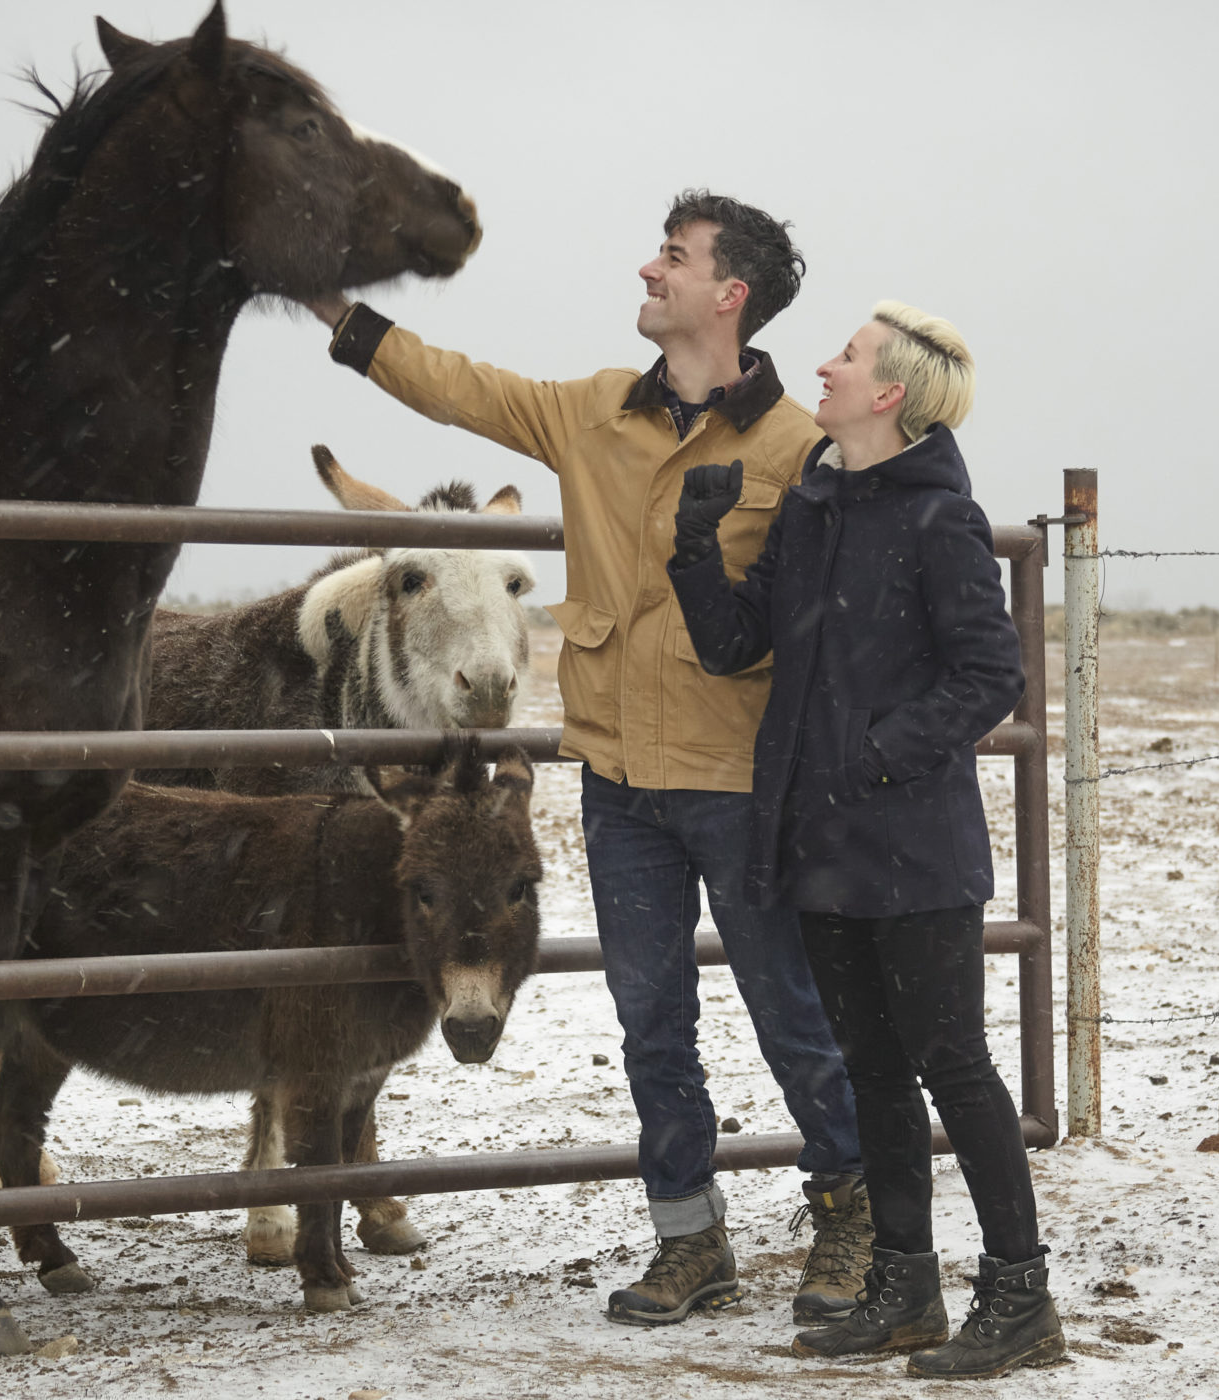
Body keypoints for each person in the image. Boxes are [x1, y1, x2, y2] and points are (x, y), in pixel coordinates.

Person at [302, 191, 869, 1327]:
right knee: (650, 1018)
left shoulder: (800, 447)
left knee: (790, 1009)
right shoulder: (591, 413)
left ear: (730, 293)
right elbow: (457, 383)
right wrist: (329, 302)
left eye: (674, 257)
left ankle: (852, 1216)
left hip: (742, 780)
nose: (649, 270)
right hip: (617, 784)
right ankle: (688, 1240)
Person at [666, 302, 1063, 1379]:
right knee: (873, 1070)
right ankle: (905, 1285)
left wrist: (875, 751)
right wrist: (695, 549)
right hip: (819, 844)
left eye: (846, 358)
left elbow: (991, 676)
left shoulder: (940, 523)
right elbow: (740, 641)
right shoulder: (813, 506)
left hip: (916, 848)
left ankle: (1020, 1292)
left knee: (953, 1065)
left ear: (890, 394)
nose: (824, 369)